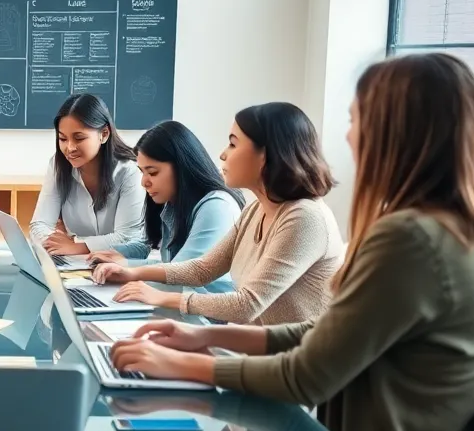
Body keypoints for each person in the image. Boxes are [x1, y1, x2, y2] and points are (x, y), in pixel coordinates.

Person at [110, 53, 474, 431]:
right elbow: (326, 335)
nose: (348, 137)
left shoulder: (411, 240)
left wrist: (176, 364)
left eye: (357, 120)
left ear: (399, 133)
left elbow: (307, 375)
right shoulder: (464, 232)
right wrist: (203, 337)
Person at [92, 102, 342, 325]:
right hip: (256, 349)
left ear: (265, 154)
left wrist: (161, 297)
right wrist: (132, 272)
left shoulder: (304, 217)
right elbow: (202, 269)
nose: (223, 154)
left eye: (233, 143)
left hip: (294, 364)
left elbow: (247, 305)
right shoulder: (255, 210)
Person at [90, 120, 244, 292]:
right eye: (142, 172)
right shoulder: (172, 206)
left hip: (209, 316)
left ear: (181, 166)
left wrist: (129, 273)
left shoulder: (217, 206)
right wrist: (124, 266)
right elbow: (169, 266)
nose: (144, 182)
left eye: (153, 172)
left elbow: (181, 276)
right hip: (182, 311)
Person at [30, 94, 145, 256]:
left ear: (104, 134)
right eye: (62, 139)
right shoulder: (58, 165)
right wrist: (53, 243)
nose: (69, 148)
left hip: (122, 264)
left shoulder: (129, 170)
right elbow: (39, 225)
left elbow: (127, 238)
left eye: (79, 138)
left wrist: (75, 246)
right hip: (76, 264)